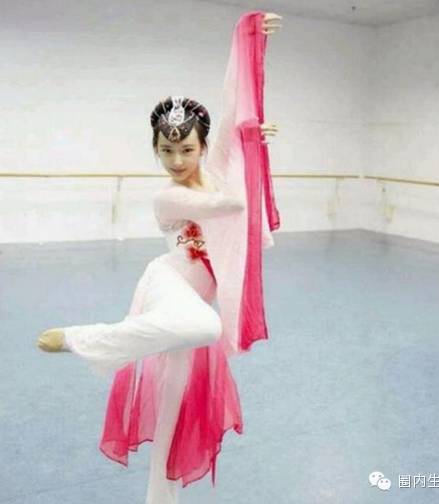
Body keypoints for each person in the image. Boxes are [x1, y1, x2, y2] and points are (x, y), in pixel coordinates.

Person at [37, 10, 282, 504]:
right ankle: (84, 338)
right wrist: (252, 147)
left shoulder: (217, 169)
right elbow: (234, 204)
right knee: (207, 328)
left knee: (172, 417)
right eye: (166, 152)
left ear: (202, 146)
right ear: (156, 149)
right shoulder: (167, 198)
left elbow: (234, 106)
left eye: (186, 150)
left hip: (189, 308)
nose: (176, 161)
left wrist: (249, 37)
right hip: (168, 286)